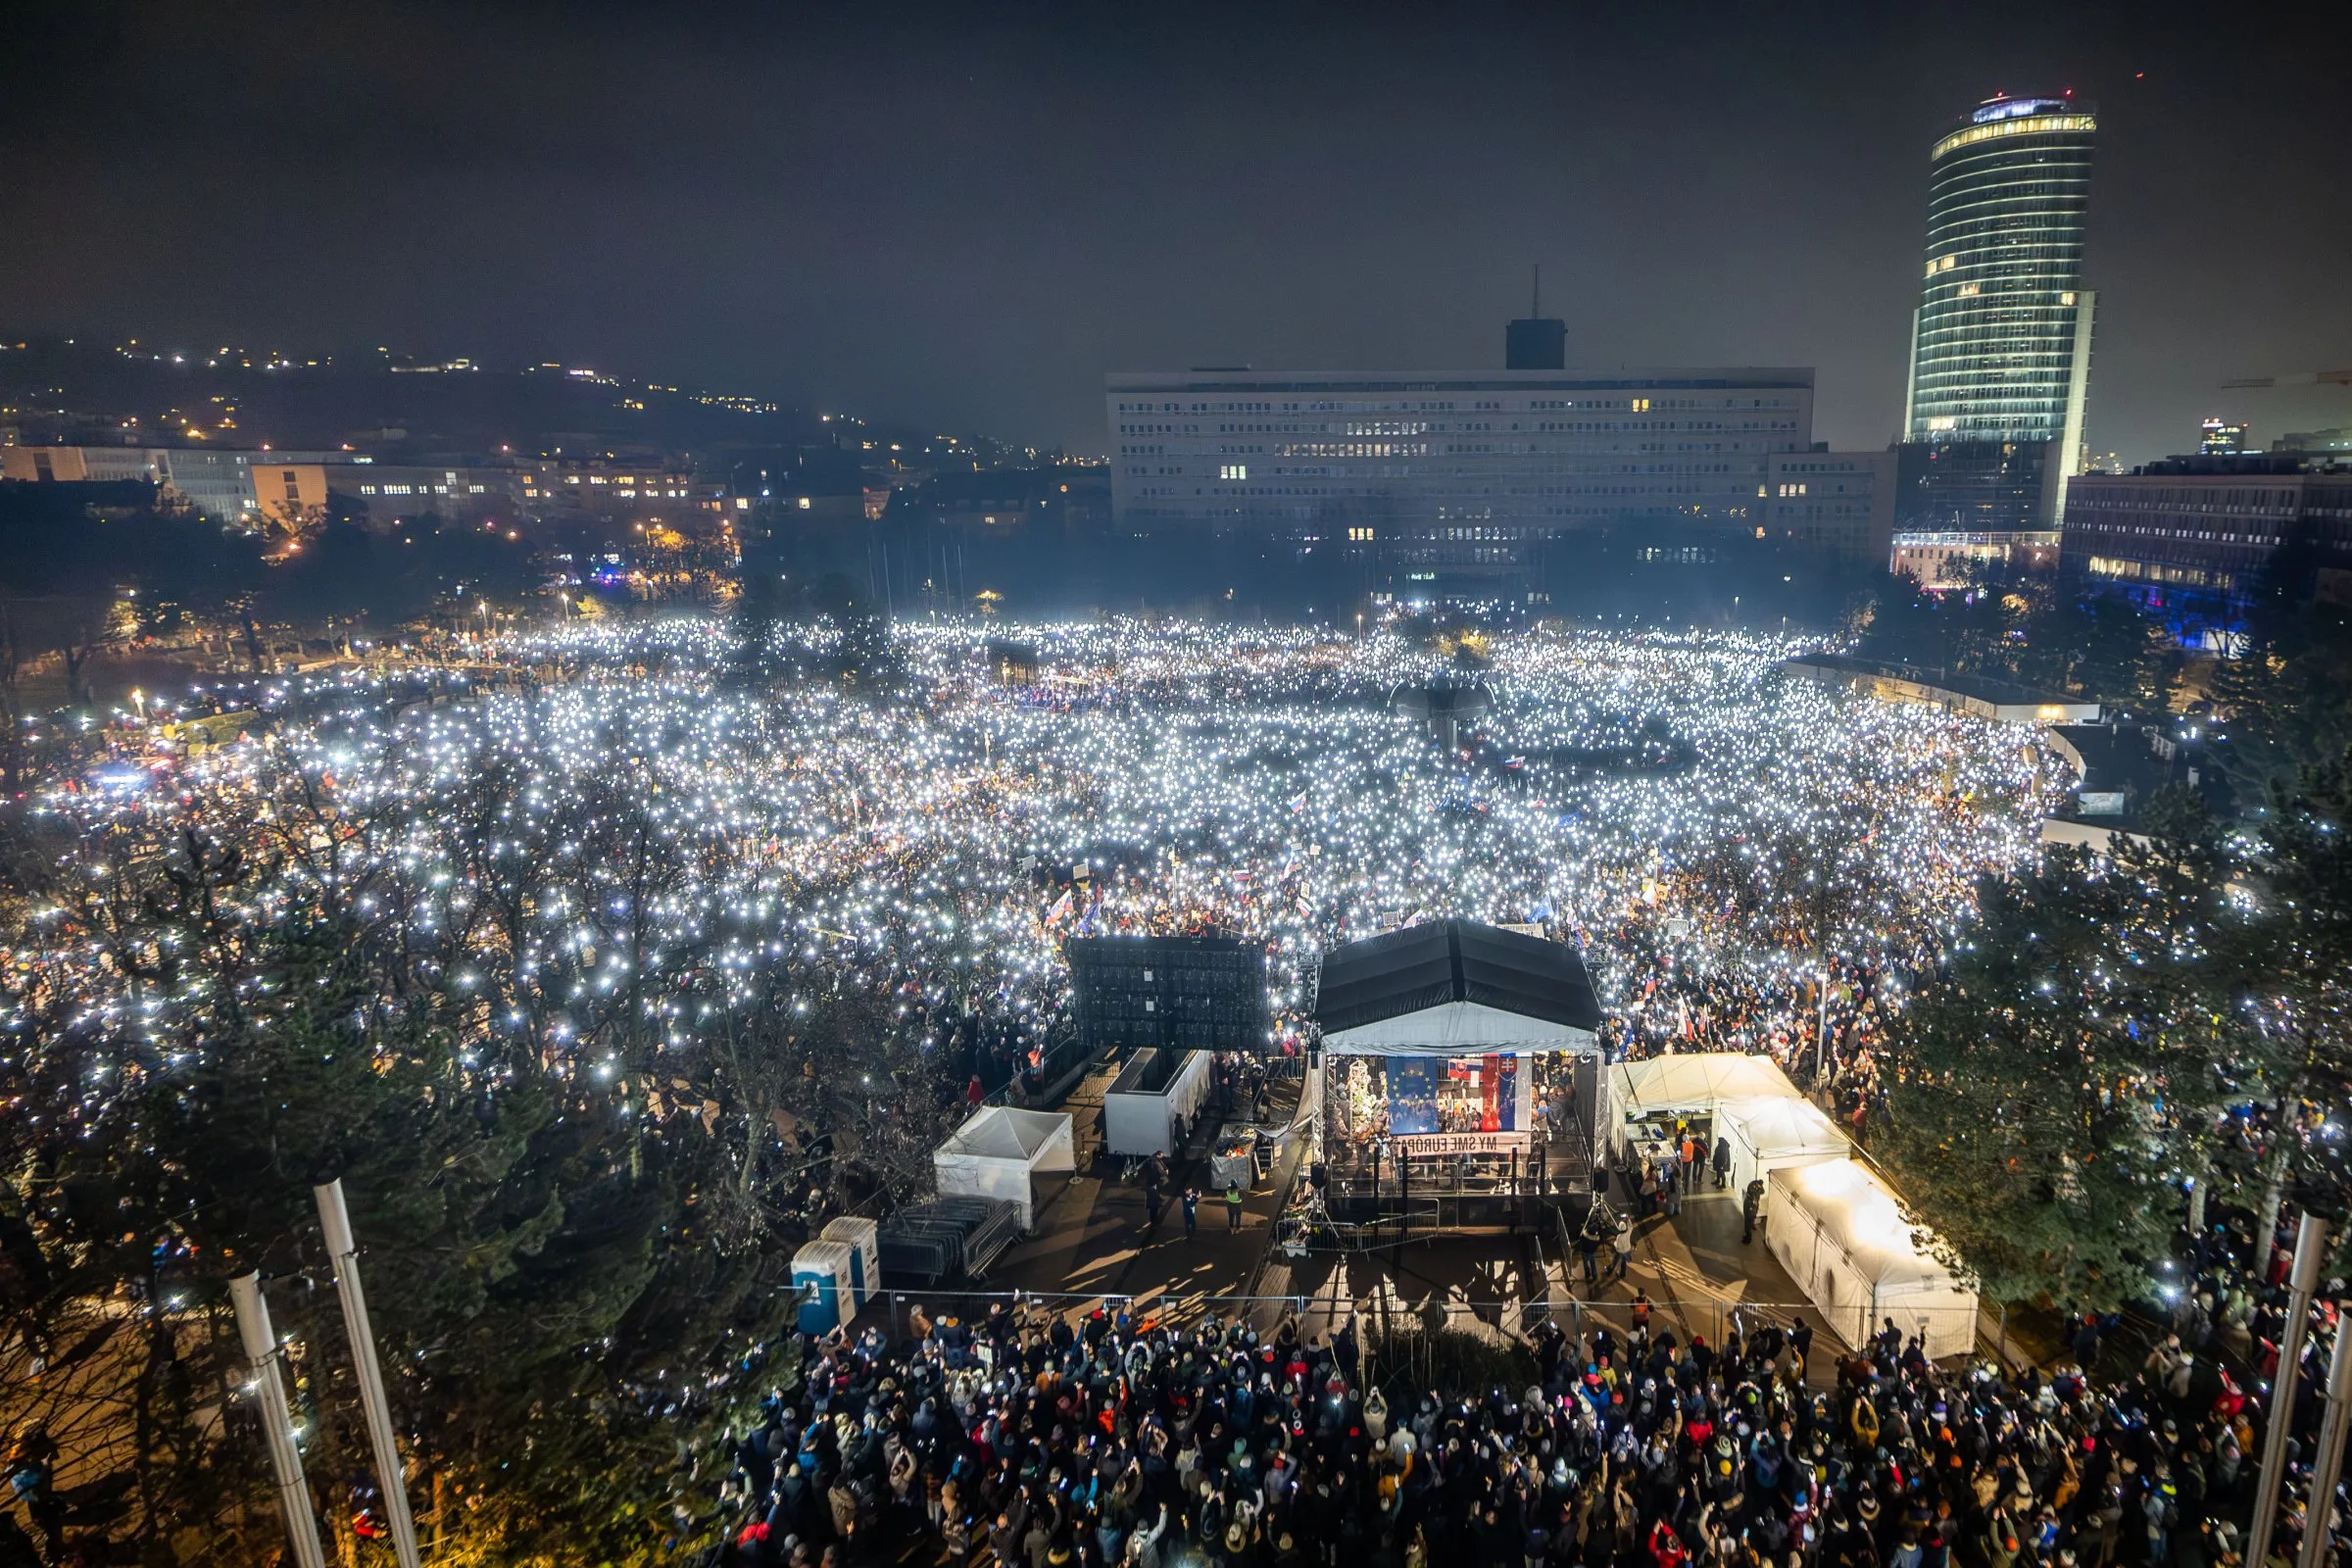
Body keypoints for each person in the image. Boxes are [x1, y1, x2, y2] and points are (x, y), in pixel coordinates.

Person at [1742, 1177, 1766, 1244]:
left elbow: (1763, 1191)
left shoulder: (1758, 1186)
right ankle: (1748, 1236)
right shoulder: (1752, 1185)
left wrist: (1759, 1188)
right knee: (1747, 1220)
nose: (1760, 1187)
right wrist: (1758, 1190)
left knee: (1751, 1218)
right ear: (1757, 1183)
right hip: (1750, 1204)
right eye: (1759, 1185)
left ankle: (1749, 1235)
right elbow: (1753, 1193)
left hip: (1753, 1205)